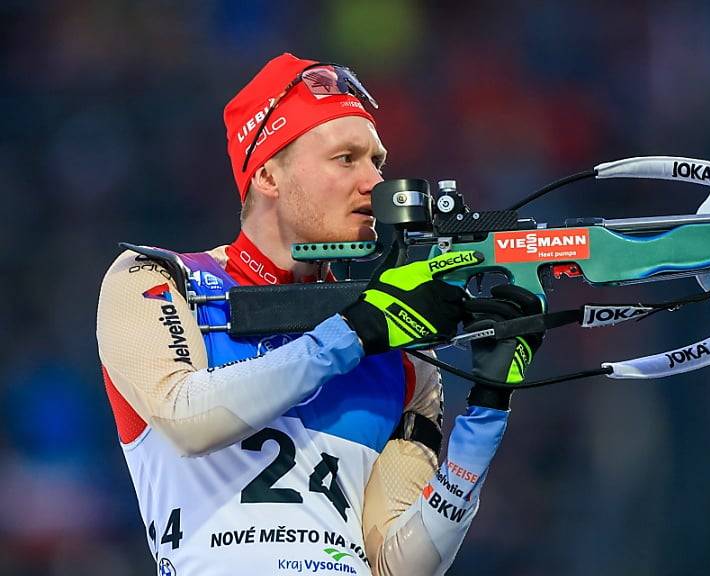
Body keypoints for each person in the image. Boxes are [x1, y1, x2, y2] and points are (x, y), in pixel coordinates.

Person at [95, 53, 543, 576]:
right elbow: (185, 419)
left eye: (378, 161)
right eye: (346, 159)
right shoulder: (157, 279)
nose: (372, 182)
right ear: (267, 174)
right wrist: (356, 333)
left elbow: (397, 565)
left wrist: (486, 413)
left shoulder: (405, 352)